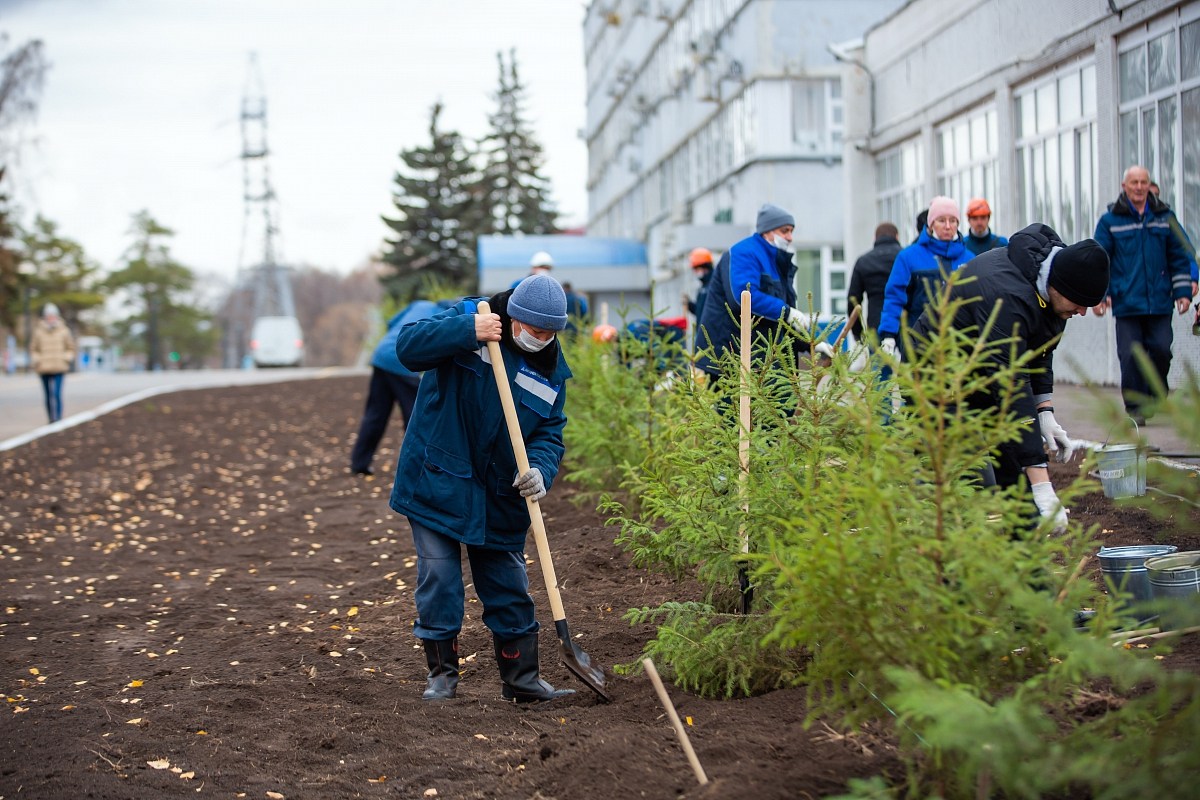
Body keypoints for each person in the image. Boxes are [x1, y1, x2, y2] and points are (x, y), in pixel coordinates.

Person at [388, 273, 575, 704]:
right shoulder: (474, 319)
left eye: (550, 334)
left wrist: (542, 471)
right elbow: (408, 348)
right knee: (440, 576)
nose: (541, 340)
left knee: (508, 582)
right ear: (513, 318)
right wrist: (466, 331)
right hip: (438, 479)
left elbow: (549, 431)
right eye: (534, 330)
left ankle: (522, 680)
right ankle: (442, 676)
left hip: (499, 495)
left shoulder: (549, 372)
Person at [910, 224, 1111, 531]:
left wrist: (1045, 412)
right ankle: (942, 563)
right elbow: (1010, 390)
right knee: (956, 477)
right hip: (936, 373)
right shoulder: (1008, 297)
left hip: (985, 370)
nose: (1082, 312)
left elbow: (1040, 352)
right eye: (1079, 303)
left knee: (1015, 472)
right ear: (1059, 286)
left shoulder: (1054, 292)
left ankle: (1027, 566)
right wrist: (1043, 484)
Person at [1093, 165, 1193, 423]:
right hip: (1126, 303)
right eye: (1134, 182)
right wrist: (1100, 296)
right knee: (1130, 355)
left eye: (1143, 182)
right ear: (1124, 187)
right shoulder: (1110, 221)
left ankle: (1155, 396)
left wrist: (1183, 292)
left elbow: (1180, 255)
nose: (1139, 187)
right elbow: (1099, 260)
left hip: (1160, 301)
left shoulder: (1164, 216)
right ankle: (1136, 408)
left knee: (1161, 350)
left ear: (1149, 186)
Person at [695, 203, 810, 383]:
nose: (790, 237)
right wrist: (786, 312)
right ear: (768, 231)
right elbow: (743, 298)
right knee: (735, 410)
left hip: (763, 358)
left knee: (783, 406)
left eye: (791, 231)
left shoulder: (777, 261)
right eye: (785, 231)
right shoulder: (743, 253)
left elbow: (783, 318)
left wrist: (812, 344)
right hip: (730, 357)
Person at [349, 299, 451, 476]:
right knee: (416, 417)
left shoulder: (420, 304)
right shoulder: (447, 317)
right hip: (402, 364)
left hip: (381, 356)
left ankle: (359, 463)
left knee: (375, 413)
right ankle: (417, 466)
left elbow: (391, 323)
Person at [878, 196, 974, 357]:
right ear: (930, 224)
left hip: (959, 347)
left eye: (953, 220)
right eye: (941, 220)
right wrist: (888, 334)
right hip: (918, 343)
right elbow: (895, 297)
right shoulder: (909, 257)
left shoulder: (970, 259)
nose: (948, 226)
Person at [846, 222, 901, 340]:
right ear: (897, 237)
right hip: (904, 324)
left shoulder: (863, 261)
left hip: (876, 325)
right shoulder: (905, 258)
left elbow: (853, 300)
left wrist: (858, 332)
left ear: (875, 238)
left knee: (877, 358)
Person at [1149, 180, 1199, 298]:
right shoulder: (1122, 221)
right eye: (1150, 195)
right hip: (1131, 300)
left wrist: (1192, 278)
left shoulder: (1167, 218)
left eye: (1156, 195)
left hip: (1162, 294)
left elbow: (1186, 249)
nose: (1154, 199)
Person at [30, 302, 76, 424]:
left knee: (56, 393)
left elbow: (70, 347)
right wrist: (37, 359)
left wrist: (66, 357)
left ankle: (59, 417)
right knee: (48, 395)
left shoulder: (64, 331)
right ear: (45, 317)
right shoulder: (38, 331)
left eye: (53, 315)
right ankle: (51, 418)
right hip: (43, 367)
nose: (50, 318)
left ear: (56, 316)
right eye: (48, 316)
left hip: (59, 366)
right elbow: (33, 348)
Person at [684, 247, 714, 324]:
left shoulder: (714, 285)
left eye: (696, 269)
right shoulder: (703, 287)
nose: (695, 272)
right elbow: (699, 311)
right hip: (701, 330)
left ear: (704, 267)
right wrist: (689, 304)